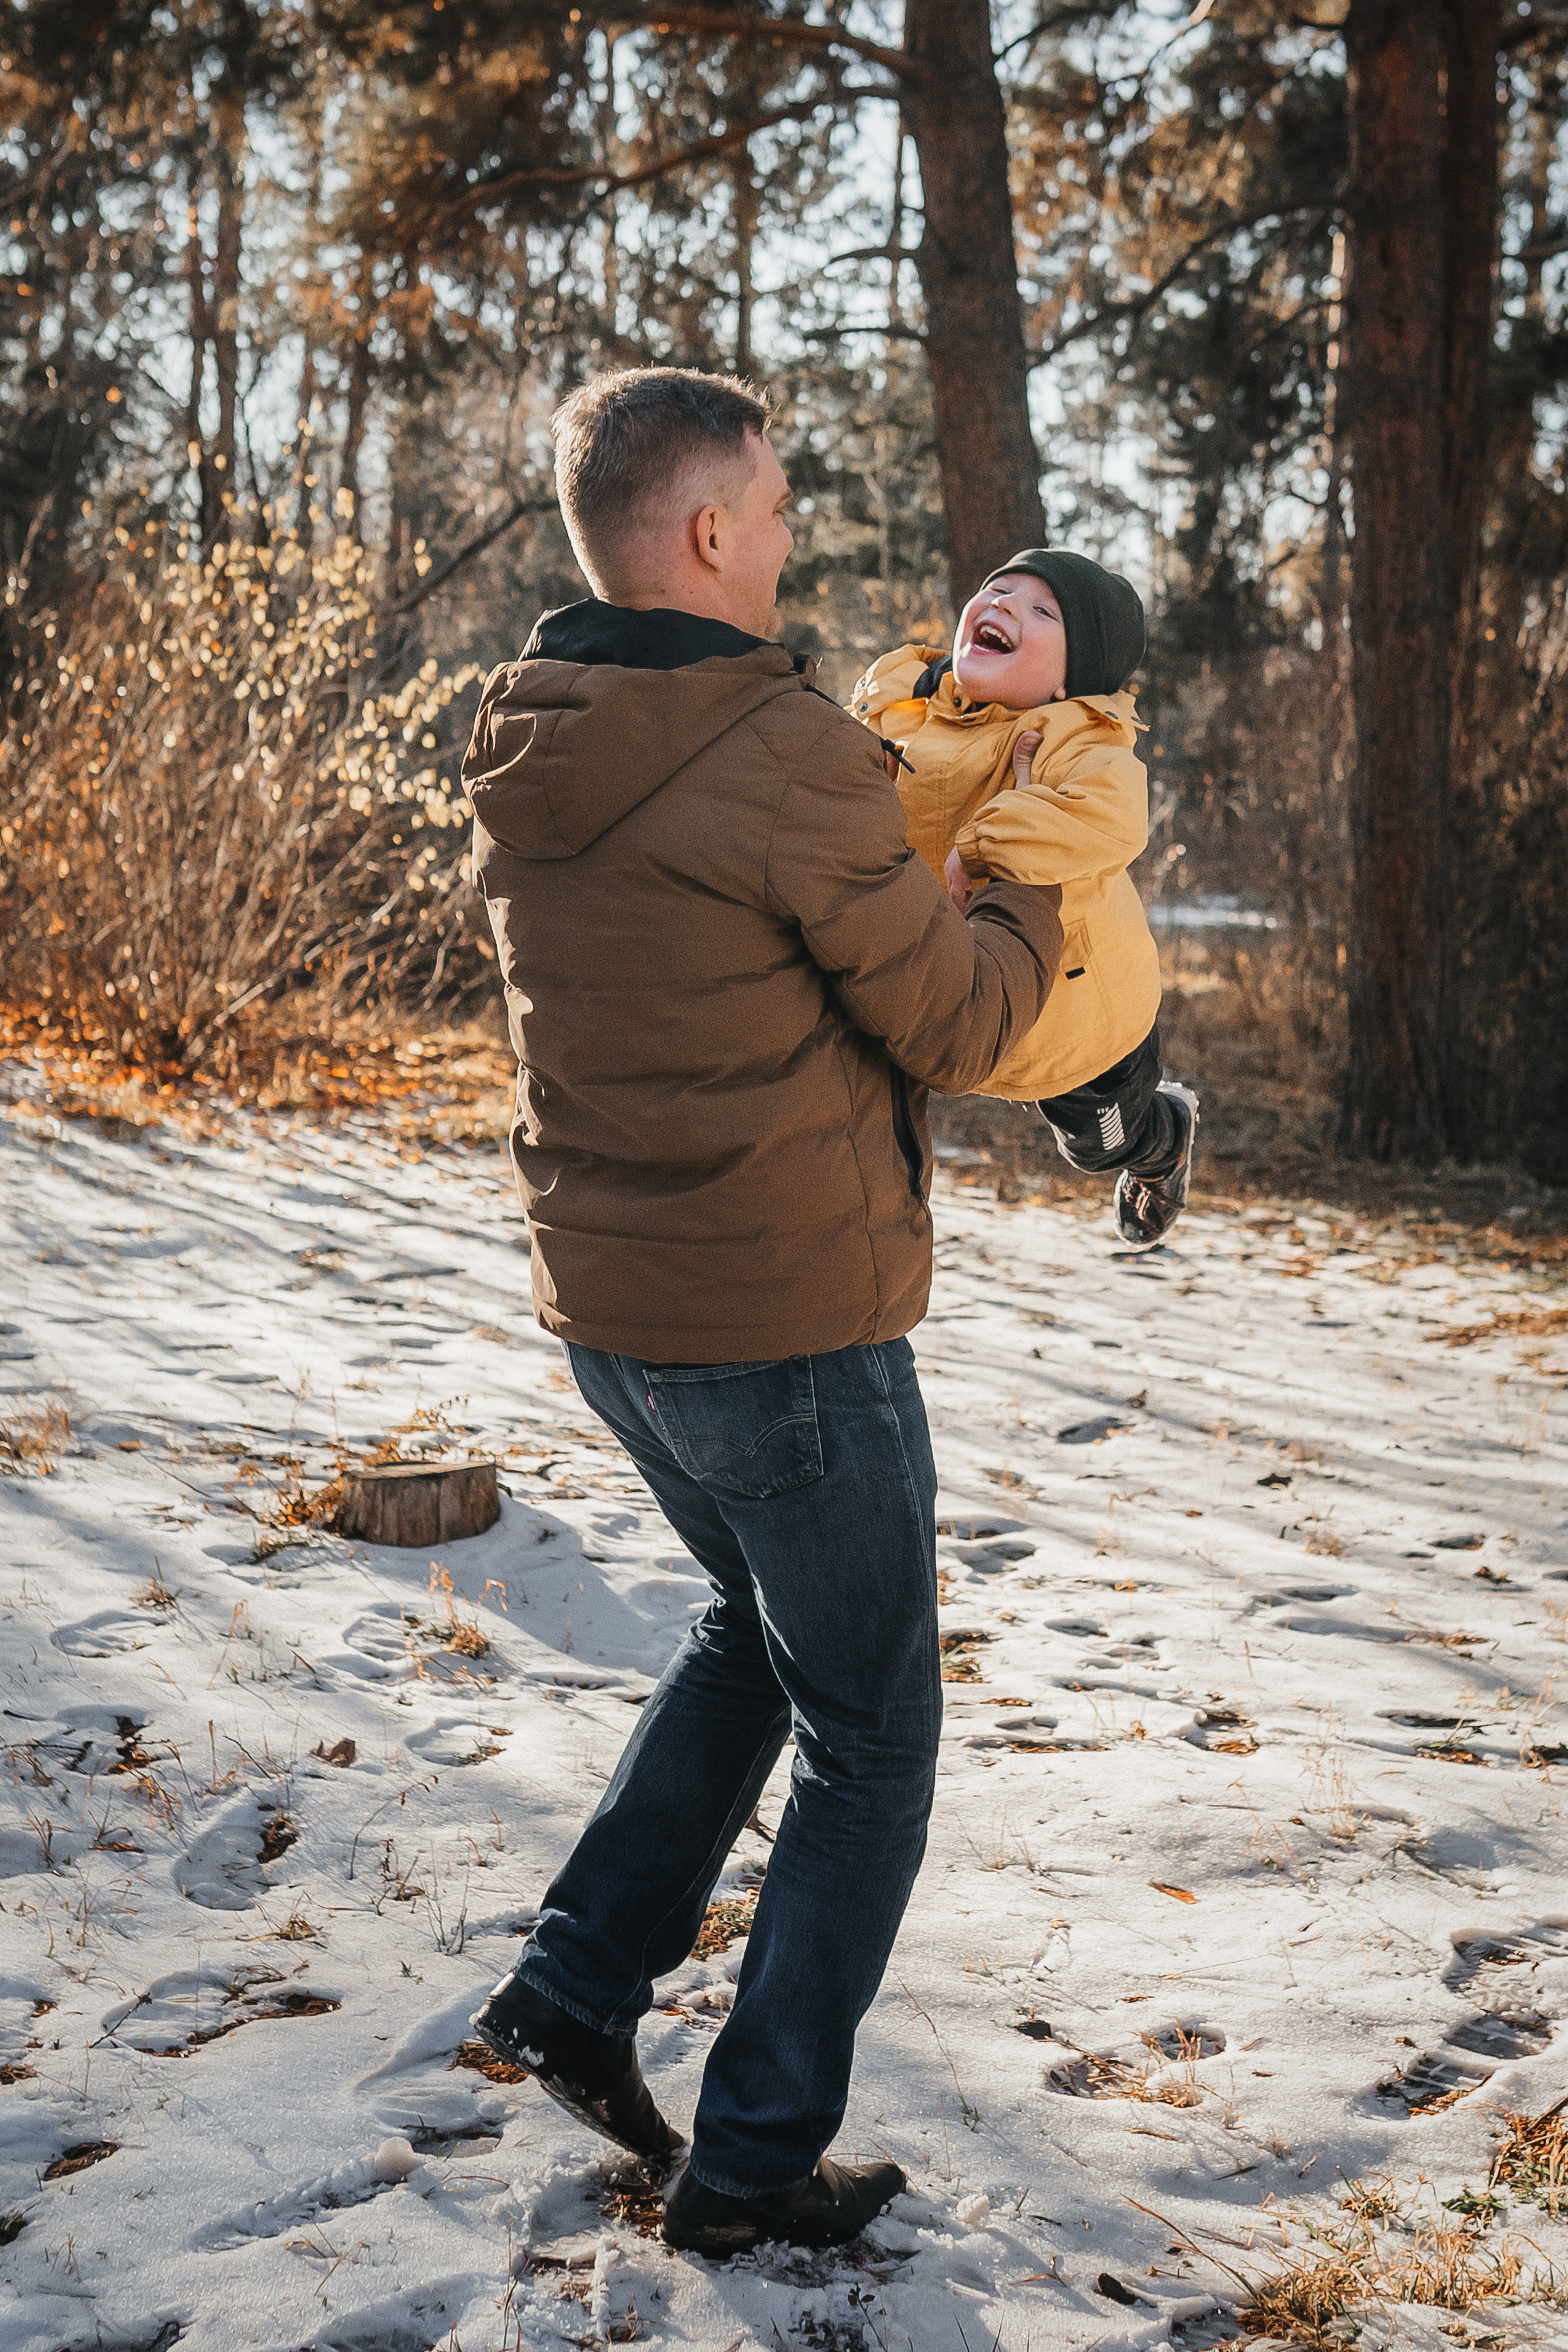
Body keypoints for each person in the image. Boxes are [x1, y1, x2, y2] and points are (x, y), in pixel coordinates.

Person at [459, 368, 1063, 2256]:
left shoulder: (533, 737)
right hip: (784, 1324)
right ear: (705, 531)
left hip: (615, 1319)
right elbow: (962, 1024)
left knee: (748, 1630)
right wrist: (1030, 886)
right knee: (873, 1738)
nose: (795, 540)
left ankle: (572, 1985)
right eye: (778, 509)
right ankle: (749, 2162)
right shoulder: (780, 750)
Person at [851, 551, 1198, 1247]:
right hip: (955, 988)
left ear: (1071, 679)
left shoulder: (1075, 736)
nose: (1003, 606)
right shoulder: (901, 708)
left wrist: (979, 846)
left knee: (1095, 1145)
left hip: (1075, 1016)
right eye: (996, 590)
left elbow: (1109, 814)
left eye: (1041, 612)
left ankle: (1166, 1140)